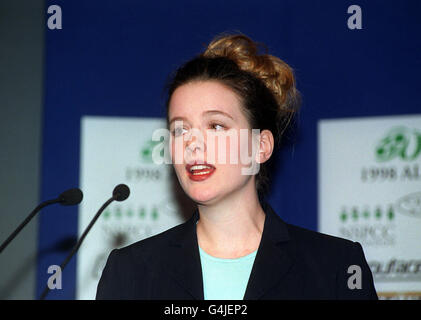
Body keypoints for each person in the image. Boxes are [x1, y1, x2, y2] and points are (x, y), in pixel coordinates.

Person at [96, 32, 378, 300]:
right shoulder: (131, 272)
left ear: (261, 146)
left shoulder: (337, 268)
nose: (193, 144)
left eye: (216, 126)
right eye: (180, 130)